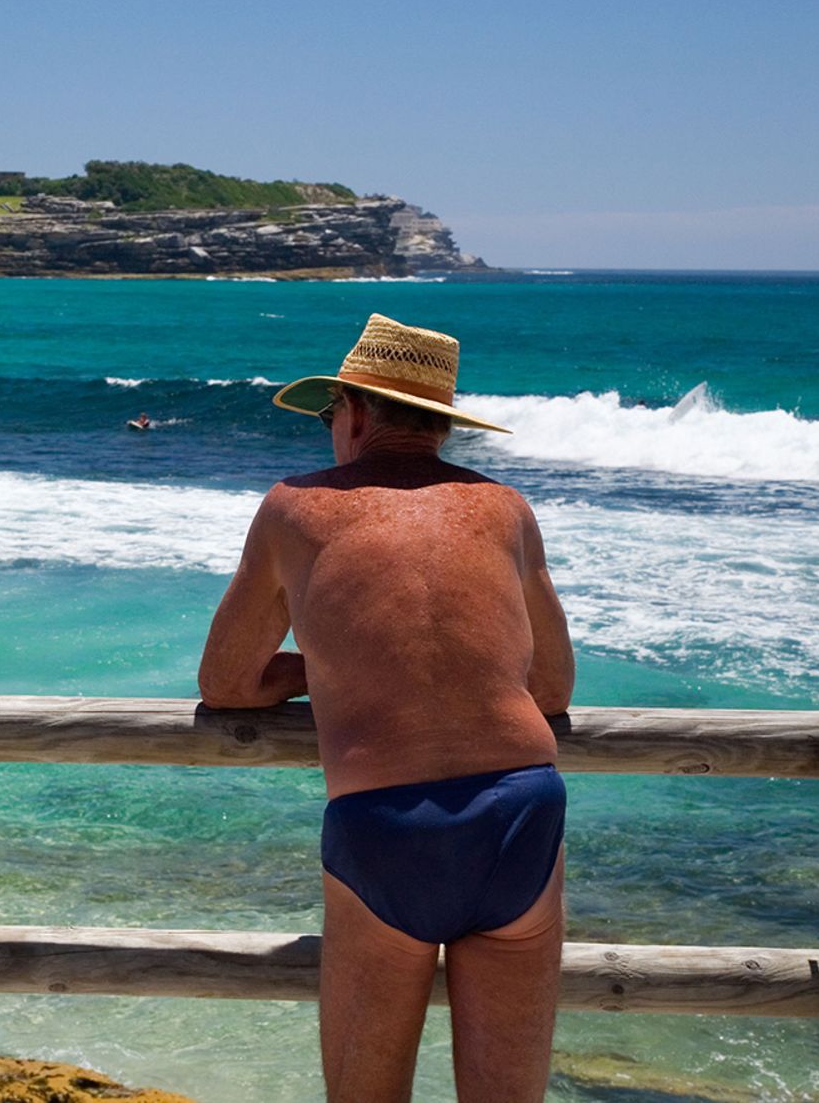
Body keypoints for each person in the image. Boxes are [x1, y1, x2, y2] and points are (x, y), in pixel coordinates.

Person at [197, 313, 574, 1103]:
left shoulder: (293, 508)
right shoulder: (506, 508)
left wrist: (333, 670)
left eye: (331, 414)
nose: (331, 430)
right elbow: (551, 690)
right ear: (440, 424)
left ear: (357, 413)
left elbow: (227, 681)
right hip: (520, 809)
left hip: (385, 820)